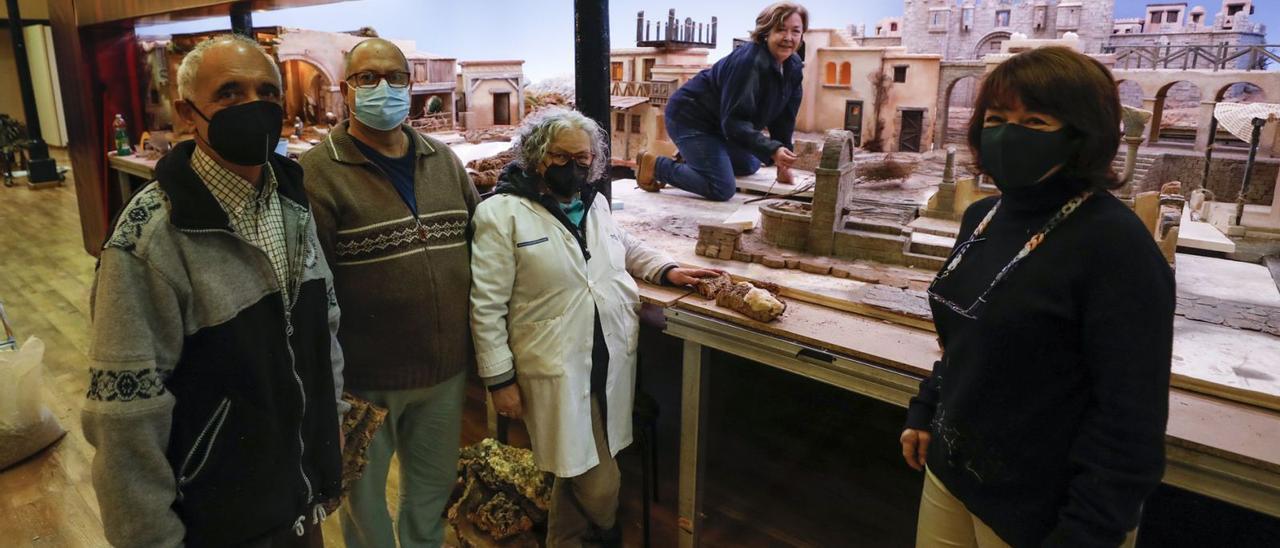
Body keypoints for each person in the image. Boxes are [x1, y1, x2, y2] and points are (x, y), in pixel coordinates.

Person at [900, 47, 1174, 548]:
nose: (1007, 133)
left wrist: (1086, 532)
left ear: (1081, 135)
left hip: (1043, 510)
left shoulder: (1115, 245)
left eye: (1035, 120)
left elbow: (1131, 419)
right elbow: (968, 339)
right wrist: (928, 407)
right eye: (997, 117)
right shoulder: (982, 218)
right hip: (952, 471)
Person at [83, 34, 345, 547]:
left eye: (267, 93)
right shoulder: (149, 239)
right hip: (217, 520)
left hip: (297, 499)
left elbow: (324, 326)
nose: (254, 107)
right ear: (187, 114)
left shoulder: (292, 201)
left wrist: (329, 425)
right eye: (229, 93)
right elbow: (125, 420)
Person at [470, 108, 720, 547]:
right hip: (553, 361)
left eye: (583, 158)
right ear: (535, 156)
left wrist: (666, 269)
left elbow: (620, 243)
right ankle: (607, 536)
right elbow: (486, 306)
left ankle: (564, 541)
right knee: (597, 478)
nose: (574, 167)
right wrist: (498, 379)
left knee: (577, 465)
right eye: (561, 157)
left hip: (607, 352)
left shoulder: (594, 201)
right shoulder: (501, 215)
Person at [300, 38, 479, 548]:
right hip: (361, 383)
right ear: (345, 90)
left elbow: (477, 245)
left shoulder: (442, 161)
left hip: (442, 373)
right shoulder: (318, 174)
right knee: (363, 507)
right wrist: (325, 391)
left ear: (411, 84)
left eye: (395, 77)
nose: (383, 88)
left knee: (431, 495)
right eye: (367, 78)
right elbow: (314, 292)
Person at [635, 1, 807, 201]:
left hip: (721, 125)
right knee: (722, 188)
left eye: (795, 31)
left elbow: (785, 118)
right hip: (690, 118)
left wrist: (781, 161)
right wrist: (773, 150)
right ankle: (656, 166)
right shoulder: (749, 62)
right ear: (766, 32)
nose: (788, 38)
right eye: (780, 30)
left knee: (751, 164)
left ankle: (692, 157)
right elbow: (734, 121)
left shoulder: (793, 67)